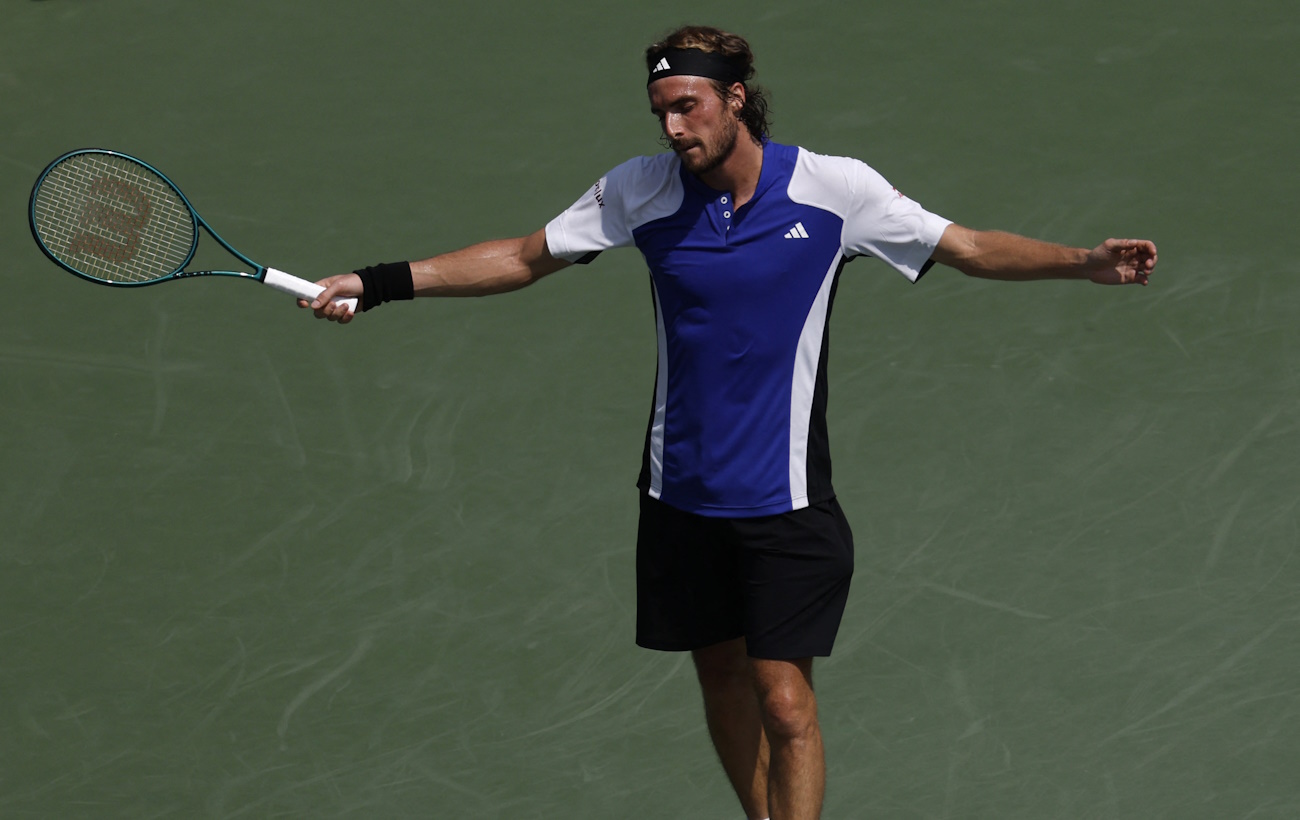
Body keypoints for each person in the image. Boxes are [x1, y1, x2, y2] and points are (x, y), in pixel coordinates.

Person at [302, 25, 1157, 820]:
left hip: (784, 505)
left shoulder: (834, 190)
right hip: (679, 497)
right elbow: (525, 258)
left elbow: (965, 247)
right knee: (719, 675)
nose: (674, 129)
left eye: (689, 107)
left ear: (736, 98)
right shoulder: (640, 191)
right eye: (662, 112)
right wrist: (378, 282)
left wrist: (1082, 263)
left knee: (785, 700)